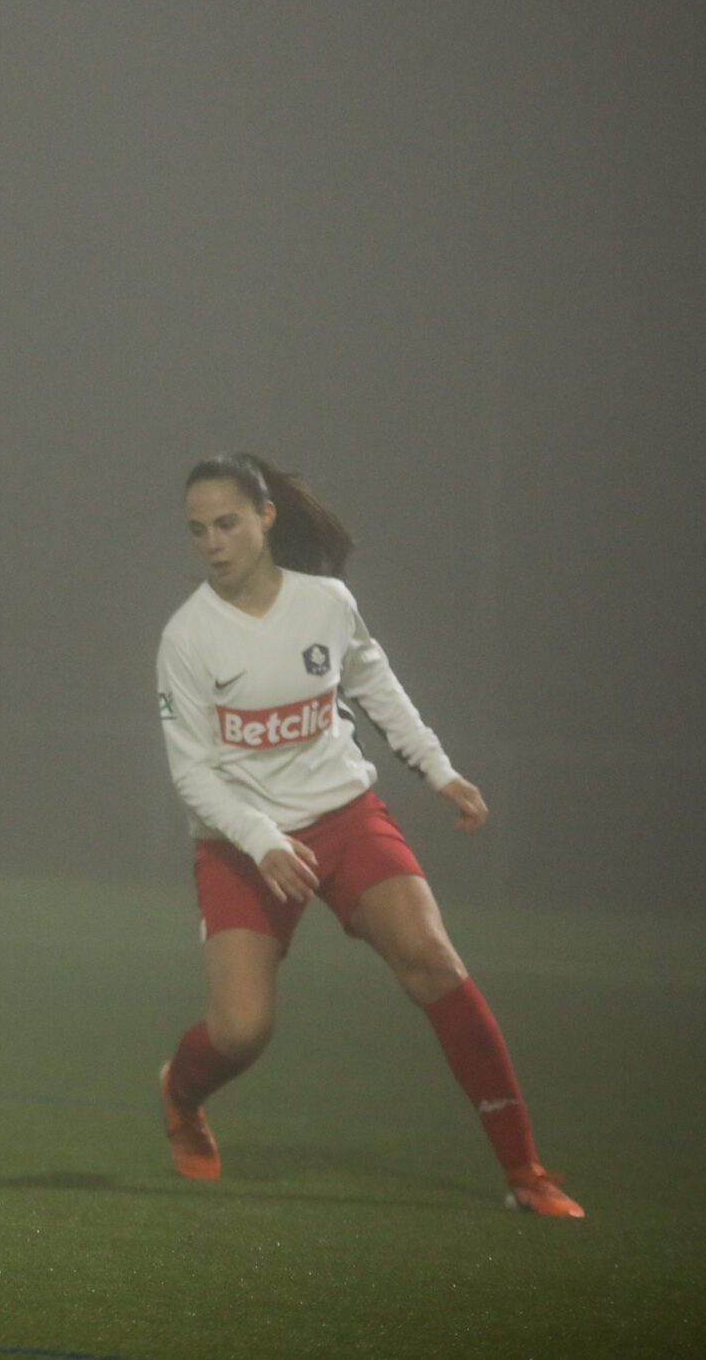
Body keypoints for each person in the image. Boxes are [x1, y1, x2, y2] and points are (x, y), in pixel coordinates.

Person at [152, 452, 583, 1217]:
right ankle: (180, 1093)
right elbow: (193, 773)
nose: (212, 543)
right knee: (243, 1030)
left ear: (266, 517)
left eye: (227, 523)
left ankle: (525, 1170)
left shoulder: (326, 602)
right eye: (198, 530)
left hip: (343, 816)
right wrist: (263, 839)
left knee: (434, 962)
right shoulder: (187, 636)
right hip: (240, 841)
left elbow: (375, 682)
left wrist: (438, 769)